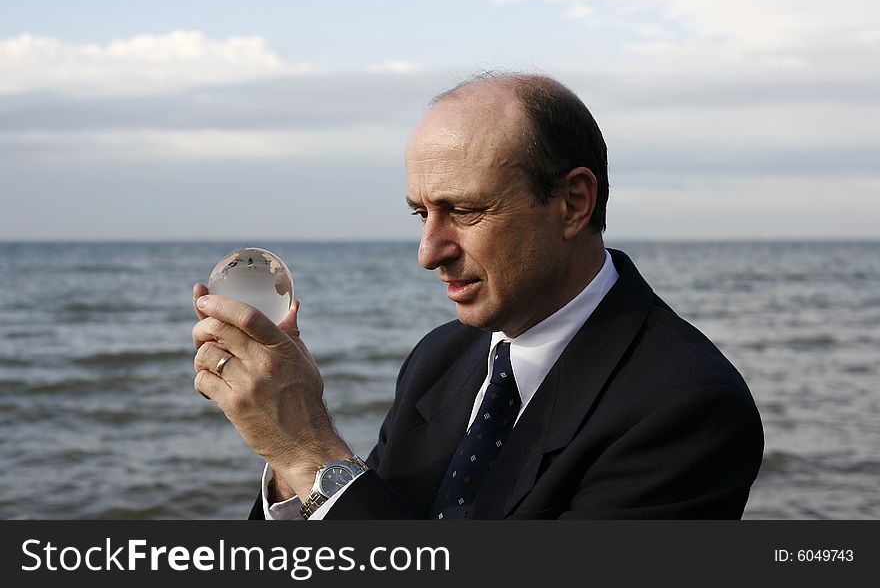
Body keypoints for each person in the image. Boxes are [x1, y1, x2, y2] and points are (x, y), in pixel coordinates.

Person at [191, 72, 764, 519]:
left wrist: (308, 451)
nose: (429, 251)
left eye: (465, 211)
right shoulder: (440, 358)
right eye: (422, 214)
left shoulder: (685, 407)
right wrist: (281, 447)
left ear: (573, 204)